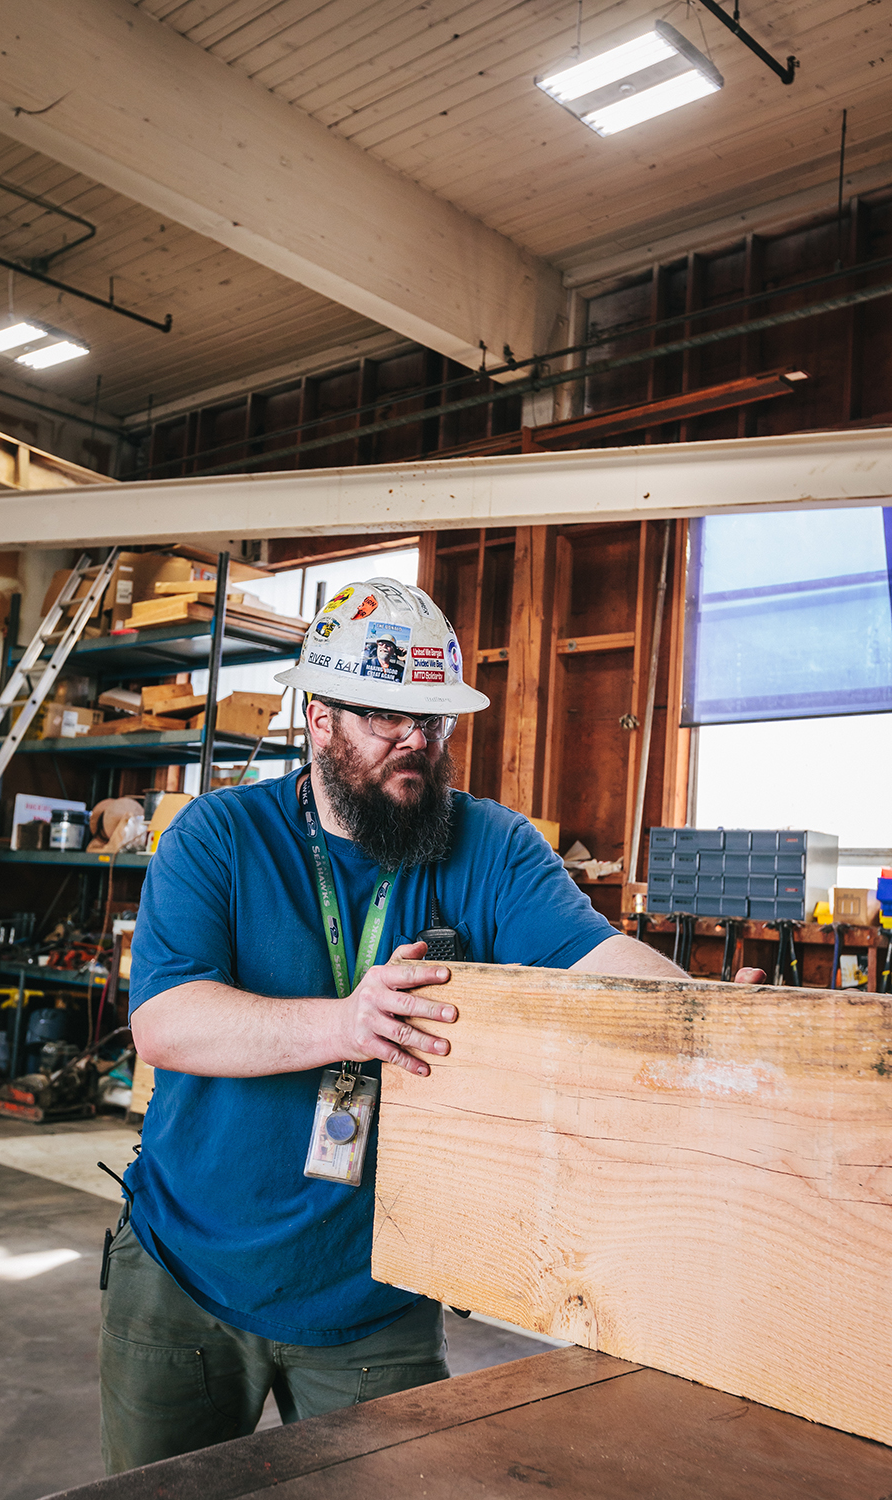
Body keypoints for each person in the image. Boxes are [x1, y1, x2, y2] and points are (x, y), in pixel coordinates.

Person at [100, 575, 763, 1474]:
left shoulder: (487, 844)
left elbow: (600, 963)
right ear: (320, 717)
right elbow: (168, 1024)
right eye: (387, 718)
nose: (418, 740)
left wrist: (724, 1023)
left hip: (375, 1296)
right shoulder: (217, 836)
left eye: (437, 720)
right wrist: (348, 1024)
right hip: (186, 1278)